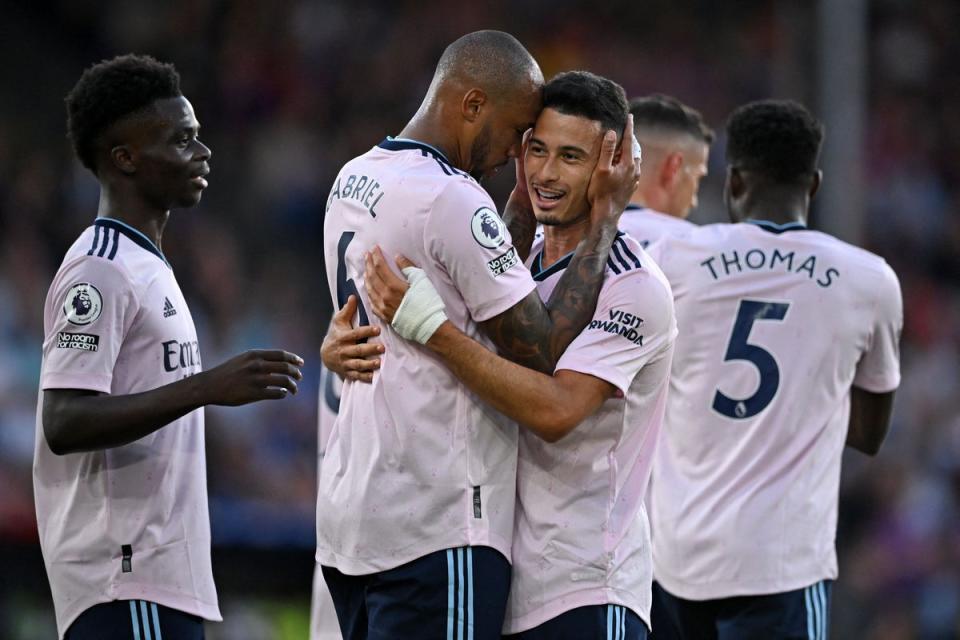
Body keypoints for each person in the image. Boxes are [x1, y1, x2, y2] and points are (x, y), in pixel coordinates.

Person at [318, 31, 638, 640]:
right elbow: (541, 350)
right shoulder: (452, 197)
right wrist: (605, 219)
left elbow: (454, 291)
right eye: (521, 135)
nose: (519, 156)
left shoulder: (353, 177)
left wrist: (517, 199)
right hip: (438, 524)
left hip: (353, 518)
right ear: (471, 106)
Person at [35, 54, 303, 640]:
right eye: (181, 141)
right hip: (123, 574)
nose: (202, 154)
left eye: (199, 137)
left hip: (158, 576)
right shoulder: (100, 270)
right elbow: (64, 418)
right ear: (125, 158)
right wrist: (207, 388)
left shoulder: (149, 265)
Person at [645, 100, 903, 639]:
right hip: (783, 565)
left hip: (672, 559)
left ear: (734, 180)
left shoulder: (673, 258)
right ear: (814, 185)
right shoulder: (870, 279)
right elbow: (870, 433)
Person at [620, 95, 713, 247]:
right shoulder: (695, 248)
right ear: (673, 168)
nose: (693, 203)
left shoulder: (574, 236)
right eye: (698, 178)